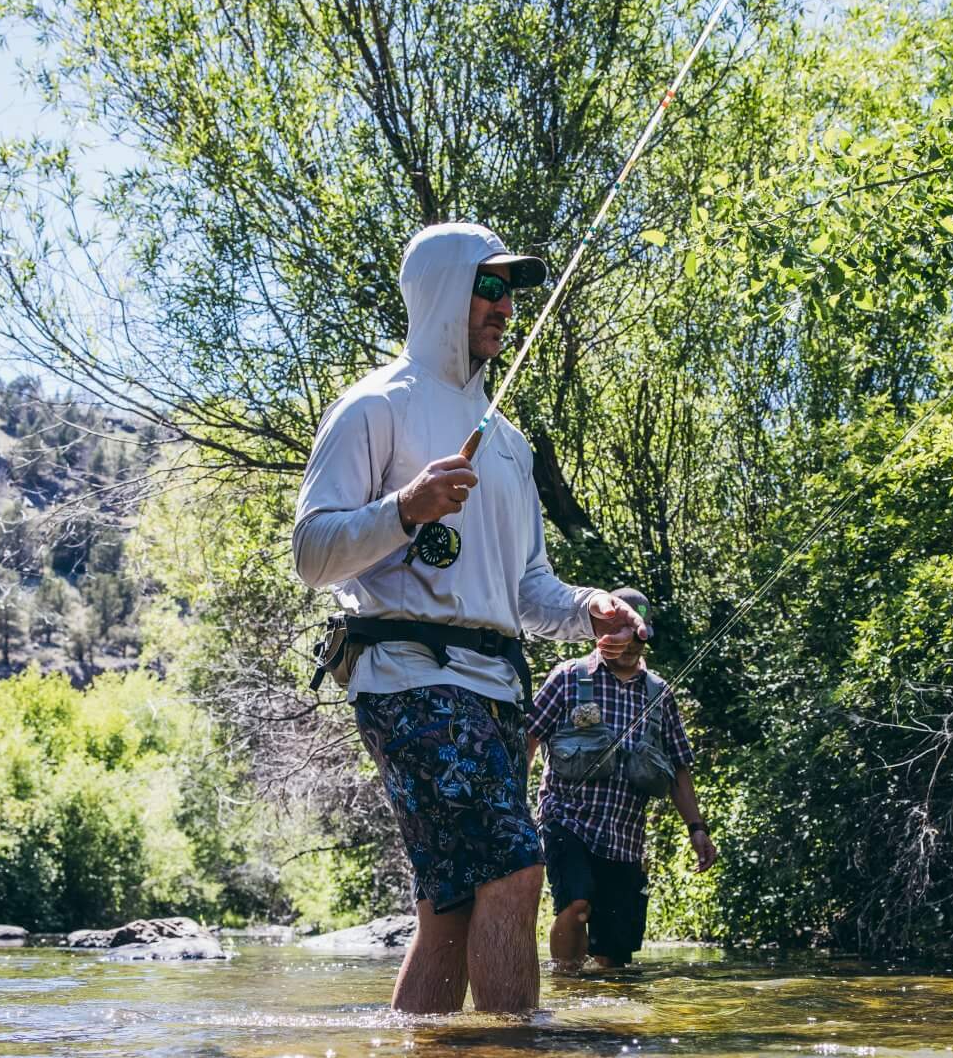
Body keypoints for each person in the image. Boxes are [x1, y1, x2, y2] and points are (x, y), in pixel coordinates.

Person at [294, 221, 646, 1015]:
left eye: (512, 292)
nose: (505, 306)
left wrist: (590, 608)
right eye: (488, 286)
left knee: (448, 911)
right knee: (517, 870)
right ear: (442, 290)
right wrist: (406, 508)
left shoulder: (511, 446)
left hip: (496, 693)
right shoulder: (374, 407)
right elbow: (313, 553)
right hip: (409, 677)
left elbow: (529, 594)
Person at [526, 589, 716, 970]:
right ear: (603, 633)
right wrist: (511, 805)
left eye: (638, 635)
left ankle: (604, 1020)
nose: (630, 644)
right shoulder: (567, 678)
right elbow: (527, 738)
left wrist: (697, 828)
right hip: (566, 820)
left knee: (614, 961)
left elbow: (679, 766)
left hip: (625, 838)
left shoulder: (659, 694)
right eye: (622, 633)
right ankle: (567, 989)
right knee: (576, 905)